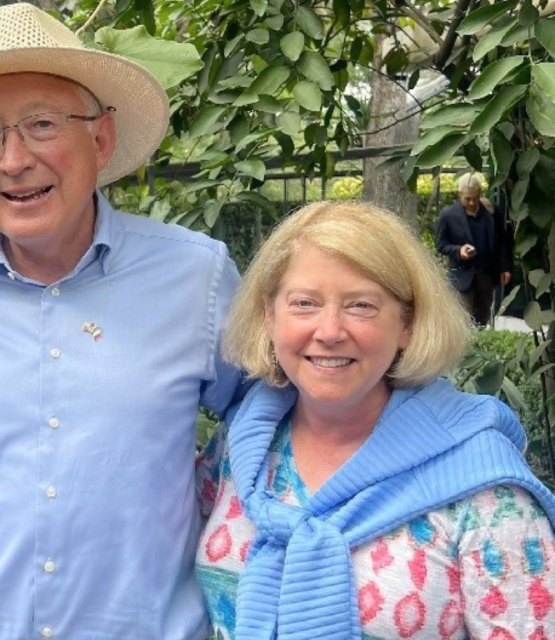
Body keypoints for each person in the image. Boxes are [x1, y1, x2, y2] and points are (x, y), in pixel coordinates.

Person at [0, 4, 242, 639]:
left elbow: (274, 425)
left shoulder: (198, 278)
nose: (12, 159)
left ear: (101, 140)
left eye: (41, 125)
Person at [196, 201, 555, 640]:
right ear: (269, 317)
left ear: (407, 323)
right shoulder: (241, 445)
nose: (329, 331)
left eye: (361, 305)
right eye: (304, 303)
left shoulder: (488, 493)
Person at [435, 172, 513, 325]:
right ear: (460, 195)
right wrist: (458, 251)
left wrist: (505, 267)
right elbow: (441, 244)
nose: (471, 202)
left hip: (486, 276)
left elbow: (502, 241)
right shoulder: (448, 216)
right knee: (461, 320)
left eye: (475, 198)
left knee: (481, 320)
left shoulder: (491, 212)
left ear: (480, 194)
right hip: (461, 277)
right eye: (467, 199)